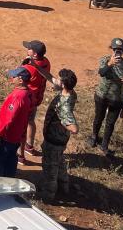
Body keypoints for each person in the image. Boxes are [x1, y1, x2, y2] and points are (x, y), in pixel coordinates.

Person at [39, 69, 78, 203]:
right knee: (60, 163)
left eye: (59, 79)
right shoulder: (70, 93)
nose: (56, 79)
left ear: (63, 84)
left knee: (50, 169)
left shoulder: (64, 105)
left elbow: (74, 128)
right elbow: (51, 78)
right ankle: (64, 186)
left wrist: (64, 122)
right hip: (60, 139)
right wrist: (34, 64)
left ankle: (48, 198)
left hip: (54, 141)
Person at [89, 37, 123, 156]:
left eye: (120, 50)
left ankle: (104, 145)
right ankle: (94, 137)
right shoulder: (105, 59)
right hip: (101, 95)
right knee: (98, 118)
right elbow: (102, 72)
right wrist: (110, 64)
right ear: (111, 49)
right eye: (115, 49)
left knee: (110, 123)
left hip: (116, 98)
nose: (118, 52)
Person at [0, 67, 34, 177]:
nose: (11, 78)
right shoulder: (29, 93)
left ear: (21, 80)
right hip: (16, 137)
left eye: (14, 76)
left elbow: (8, 119)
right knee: (10, 163)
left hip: (6, 137)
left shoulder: (17, 97)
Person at [20, 39, 51, 165]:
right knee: (30, 121)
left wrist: (24, 63)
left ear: (35, 54)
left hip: (27, 100)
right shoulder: (46, 62)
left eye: (29, 48)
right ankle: (29, 146)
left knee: (22, 126)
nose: (27, 49)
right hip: (37, 98)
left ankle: (20, 156)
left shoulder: (29, 67)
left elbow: (17, 77)